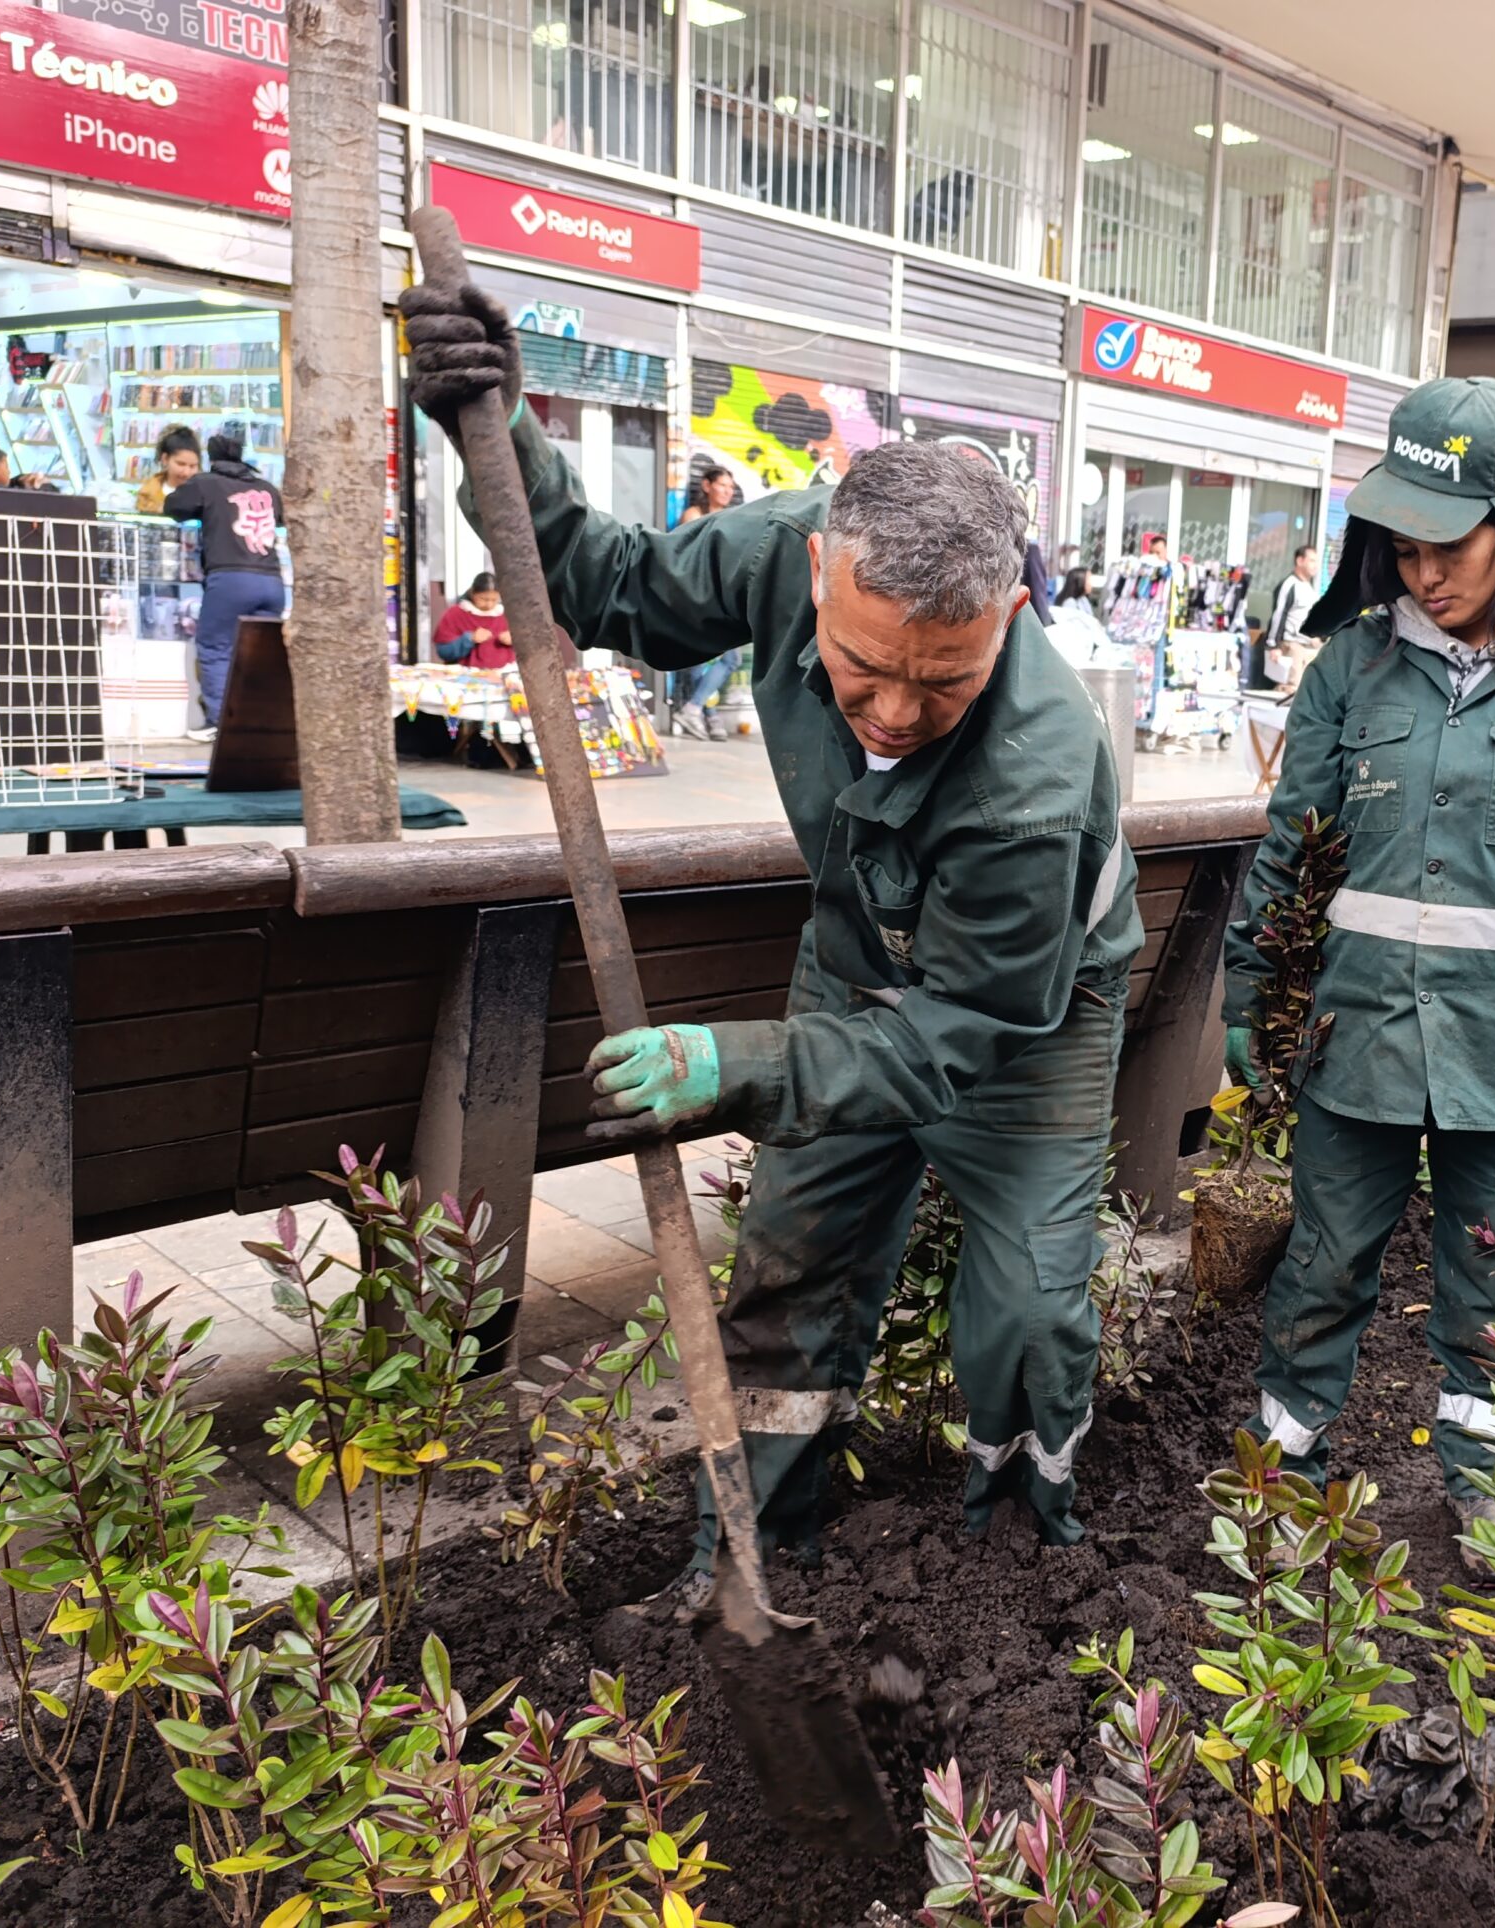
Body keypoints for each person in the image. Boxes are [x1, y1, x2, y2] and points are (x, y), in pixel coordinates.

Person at [397, 269, 1141, 1592]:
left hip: (1022, 1015)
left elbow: (952, 1034)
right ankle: (748, 1553)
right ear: (814, 571)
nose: (894, 714)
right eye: (864, 669)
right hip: (857, 968)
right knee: (791, 1275)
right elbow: (605, 583)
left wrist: (728, 1066)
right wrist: (498, 422)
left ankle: (1019, 1548)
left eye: (943, 683)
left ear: (1011, 619)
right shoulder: (780, 545)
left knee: (1030, 1307)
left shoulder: (1034, 779)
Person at [1223, 377, 1495, 1546]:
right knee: (1322, 1263)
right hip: (1355, 1034)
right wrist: (1250, 995)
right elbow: (1291, 848)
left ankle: (1482, 1487)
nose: (1423, 571)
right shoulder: (1349, 671)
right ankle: (1282, 1472)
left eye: (1448, 544)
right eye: (1403, 545)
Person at [163, 431, 286, 741]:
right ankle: (262, 722)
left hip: (230, 578)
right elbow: (281, 519)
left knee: (216, 647)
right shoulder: (267, 488)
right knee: (262, 655)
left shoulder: (206, 483)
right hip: (273, 581)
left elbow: (173, 507)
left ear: (212, 457)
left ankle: (221, 722)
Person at [670, 466, 746, 737]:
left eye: (731, 487)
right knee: (699, 661)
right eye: (722, 485)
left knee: (730, 659)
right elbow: (682, 554)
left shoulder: (734, 517)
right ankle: (706, 715)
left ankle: (695, 710)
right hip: (697, 595)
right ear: (706, 486)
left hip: (722, 596)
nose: (727, 491)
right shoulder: (693, 515)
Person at [1262, 544, 1320, 694]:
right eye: (1312, 560)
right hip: (1293, 646)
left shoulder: (1309, 587)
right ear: (1300, 561)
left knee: (1306, 691)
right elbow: (1278, 615)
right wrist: (1273, 645)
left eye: (1316, 561)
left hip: (1309, 647)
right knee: (1290, 690)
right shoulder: (1289, 584)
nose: (1315, 565)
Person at [432, 571, 514, 668]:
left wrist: (515, 640)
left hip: (505, 673)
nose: (489, 605)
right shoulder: (455, 614)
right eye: (483, 599)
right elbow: (443, 651)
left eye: (494, 600)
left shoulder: (508, 615)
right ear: (472, 593)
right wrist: (469, 639)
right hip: (464, 674)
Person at [134, 425, 202, 516]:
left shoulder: (205, 495)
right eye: (181, 464)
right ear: (165, 459)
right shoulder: (147, 494)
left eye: (192, 466)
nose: (187, 472)